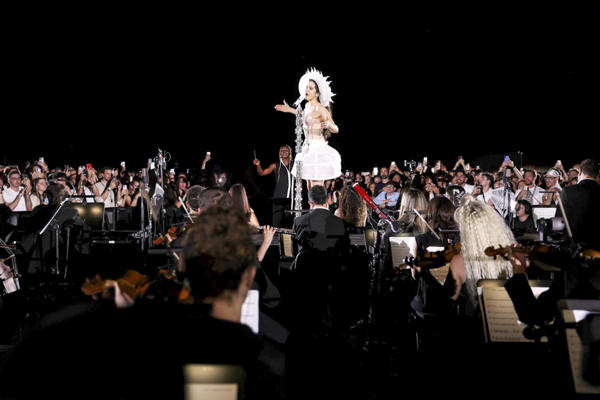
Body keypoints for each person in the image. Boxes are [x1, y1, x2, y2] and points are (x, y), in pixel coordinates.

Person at [445, 197, 515, 315]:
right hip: (508, 319)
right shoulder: (513, 256)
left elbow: (447, 301)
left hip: (474, 322)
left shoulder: (460, 262)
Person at [275, 68, 342, 188]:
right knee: (309, 187)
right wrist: (289, 110)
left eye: (310, 88)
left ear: (317, 93)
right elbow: (303, 114)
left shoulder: (321, 109)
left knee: (317, 187)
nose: (307, 90)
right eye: (306, 87)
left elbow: (336, 129)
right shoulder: (307, 106)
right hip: (307, 148)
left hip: (317, 148)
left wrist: (328, 125)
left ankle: (322, 201)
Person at [292, 185, 348, 255]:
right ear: (327, 199)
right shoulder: (340, 223)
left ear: (310, 203)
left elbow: (294, 251)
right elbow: (344, 251)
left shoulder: (298, 221)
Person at [559, 158, 600, 248]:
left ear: (580, 171)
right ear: (598, 174)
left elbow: (560, 221)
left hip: (574, 247)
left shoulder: (567, 191)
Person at [253, 145, 294, 227]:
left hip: (291, 198)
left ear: (290, 153)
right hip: (278, 198)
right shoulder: (275, 165)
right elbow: (262, 173)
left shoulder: (295, 165)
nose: (284, 152)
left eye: (286, 150)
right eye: (282, 151)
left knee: (290, 223)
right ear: (279, 153)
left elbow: (300, 181)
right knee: (276, 222)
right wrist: (258, 165)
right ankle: (275, 235)